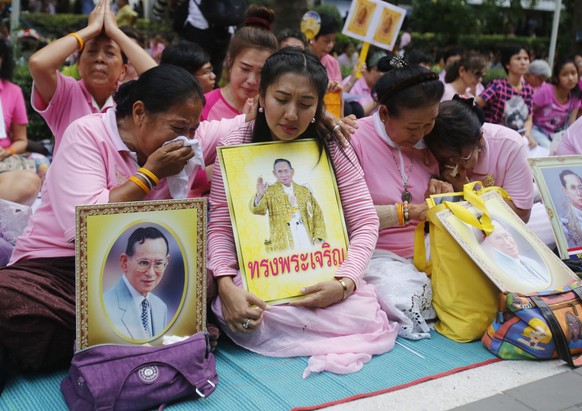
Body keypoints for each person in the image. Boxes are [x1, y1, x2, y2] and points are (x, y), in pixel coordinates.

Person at [0, 64, 215, 376]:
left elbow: (239, 128)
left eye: (193, 131)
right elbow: (84, 227)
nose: (186, 141)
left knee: (206, 280)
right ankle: (113, 340)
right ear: (139, 112)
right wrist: (150, 174)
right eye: (178, 129)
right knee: (7, 298)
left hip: (132, 274)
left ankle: (92, 341)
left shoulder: (182, 145)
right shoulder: (87, 133)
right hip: (57, 269)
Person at [208, 48, 397, 377]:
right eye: (281, 98)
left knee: (363, 312)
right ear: (262, 95)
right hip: (261, 271)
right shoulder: (234, 143)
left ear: (319, 106)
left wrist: (345, 283)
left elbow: (365, 222)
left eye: (306, 103)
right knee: (244, 310)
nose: (291, 115)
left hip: (323, 272)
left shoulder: (333, 144)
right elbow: (221, 228)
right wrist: (227, 288)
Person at [349, 58, 452, 340]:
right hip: (378, 254)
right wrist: (406, 213)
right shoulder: (354, 139)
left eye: (429, 124)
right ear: (383, 113)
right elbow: (343, 215)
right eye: (412, 128)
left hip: (428, 247)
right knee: (402, 295)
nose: (420, 135)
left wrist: (440, 188)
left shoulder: (428, 141)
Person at [28, 0, 157, 154]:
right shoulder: (66, 92)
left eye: (110, 53)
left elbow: (159, 80)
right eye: (91, 51)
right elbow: (38, 63)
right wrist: (91, 29)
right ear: (79, 66)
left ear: (123, 70)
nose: (99, 59)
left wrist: (115, 31)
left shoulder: (131, 98)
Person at [424, 98, 534, 223]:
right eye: (445, 159)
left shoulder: (510, 146)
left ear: (480, 139)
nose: (453, 164)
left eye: (462, 158)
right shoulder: (428, 146)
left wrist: (466, 190)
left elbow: (521, 216)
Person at [201, 4, 277, 121]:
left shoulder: (274, 111)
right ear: (230, 61)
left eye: (262, 72)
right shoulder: (203, 107)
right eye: (245, 69)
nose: (252, 81)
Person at [104, 227, 170, 340]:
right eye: (144, 263)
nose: (151, 273)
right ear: (124, 262)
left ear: (166, 261)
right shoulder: (104, 307)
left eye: (158, 263)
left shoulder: (161, 307)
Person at [250, 158, 326, 252]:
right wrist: (259, 195)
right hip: (284, 240)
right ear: (274, 173)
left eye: (286, 171)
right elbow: (258, 210)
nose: (284, 175)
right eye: (280, 172)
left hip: (305, 236)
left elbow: (317, 213)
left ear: (292, 171)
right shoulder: (269, 191)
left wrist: (319, 237)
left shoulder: (304, 191)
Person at [0, 39, 42, 206]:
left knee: (33, 177)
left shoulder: (13, 92)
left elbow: (21, 140)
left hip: (4, 163)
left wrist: (7, 151)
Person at [475, 45, 537, 149]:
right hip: (494, 141)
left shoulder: (528, 90)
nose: (523, 62)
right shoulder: (497, 86)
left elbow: (528, 119)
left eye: (526, 59)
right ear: (507, 64)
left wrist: (528, 135)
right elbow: (476, 103)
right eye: (518, 58)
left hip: (518, 141)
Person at [532, 56, 581, 149]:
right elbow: (529, 111)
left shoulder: (575, 98)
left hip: (557, 136)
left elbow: (571, 126)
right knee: (551, 151)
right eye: (565, 74)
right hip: (537, 131)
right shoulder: (546, 91)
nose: (570, 78)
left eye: (573, 73)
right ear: (556, 77)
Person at [481, 220, 548, 288]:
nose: (507, 242)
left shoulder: (531, 262)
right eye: (498, 238)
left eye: (506, 235)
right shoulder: (500, 270)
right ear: (488, 242)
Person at [342, 49, 389, 118]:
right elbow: (356, 113)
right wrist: (378, 99)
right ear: (365, 69)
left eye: (385, 70)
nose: (382, 74)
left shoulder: (381, 86)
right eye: (378, 70)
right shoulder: (353, 83)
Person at [308, 13, 343, 96]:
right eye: (326, 41)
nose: (331, 45)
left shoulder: (333, 63)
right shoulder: (300, 59)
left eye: (333, 41)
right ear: (313, 38)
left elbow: (339, 93)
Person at [558, 169, 582, 248]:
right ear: (565, 191)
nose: (579, 193)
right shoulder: (564, 221)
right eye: (573, 188)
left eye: (580, 187)